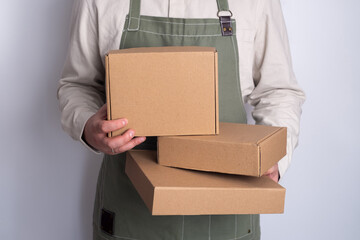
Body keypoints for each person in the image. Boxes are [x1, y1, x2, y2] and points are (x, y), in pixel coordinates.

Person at [58, 0, 305, 239]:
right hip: (129, 214)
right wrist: (88, 126)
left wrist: (273, 157)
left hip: (226, 217)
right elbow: (79, 84)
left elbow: (278, 90)